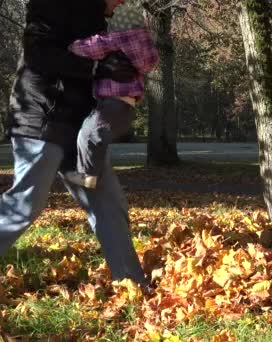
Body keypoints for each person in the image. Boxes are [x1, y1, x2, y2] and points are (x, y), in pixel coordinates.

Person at [1, 0, 150, 292]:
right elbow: (38, 54)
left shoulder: (102, 20)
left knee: (106, 201)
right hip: (42, 120)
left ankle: (132, 286)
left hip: (79, 131)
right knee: (25, 204)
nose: (123, 4)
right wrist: (97, 66)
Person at [64, 3, 159, 189]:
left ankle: (87, 176)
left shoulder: (115, 39)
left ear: (118, 24)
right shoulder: (145, 44)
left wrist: (73, 46)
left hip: (112, 105)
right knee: (96, 140)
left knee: (87, 136)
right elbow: (151, 62)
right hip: (128, 108)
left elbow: (91, 47)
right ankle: (92, 174)